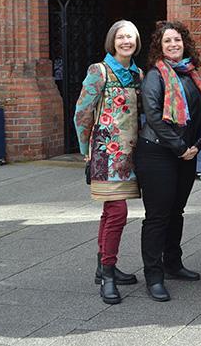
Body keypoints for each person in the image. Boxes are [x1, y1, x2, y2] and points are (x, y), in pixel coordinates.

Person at [136, 20, 201, 302]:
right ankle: (153, 275)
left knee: (177, 212)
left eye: (177, 40)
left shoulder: (190, 73)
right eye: (167, 41)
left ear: (184, 43)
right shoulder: (156, 74)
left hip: (186, 154)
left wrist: (198, 144)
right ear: (160, 46)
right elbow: (153, 115)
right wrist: (180, 147)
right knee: (157, 216)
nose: (173, 45)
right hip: (157, 153)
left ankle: (172, 264)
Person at [73, 20, 143, 305]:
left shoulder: (137, 73)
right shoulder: (98, 71)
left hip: (131, 155)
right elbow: (82, 112)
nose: (126, 41)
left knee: (109, 213)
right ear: (112, 40)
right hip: (106, 153)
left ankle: (103, 266)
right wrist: (85, 149)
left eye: (131, 37)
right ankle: (109, 275)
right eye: (121, 37)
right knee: (118, 213)